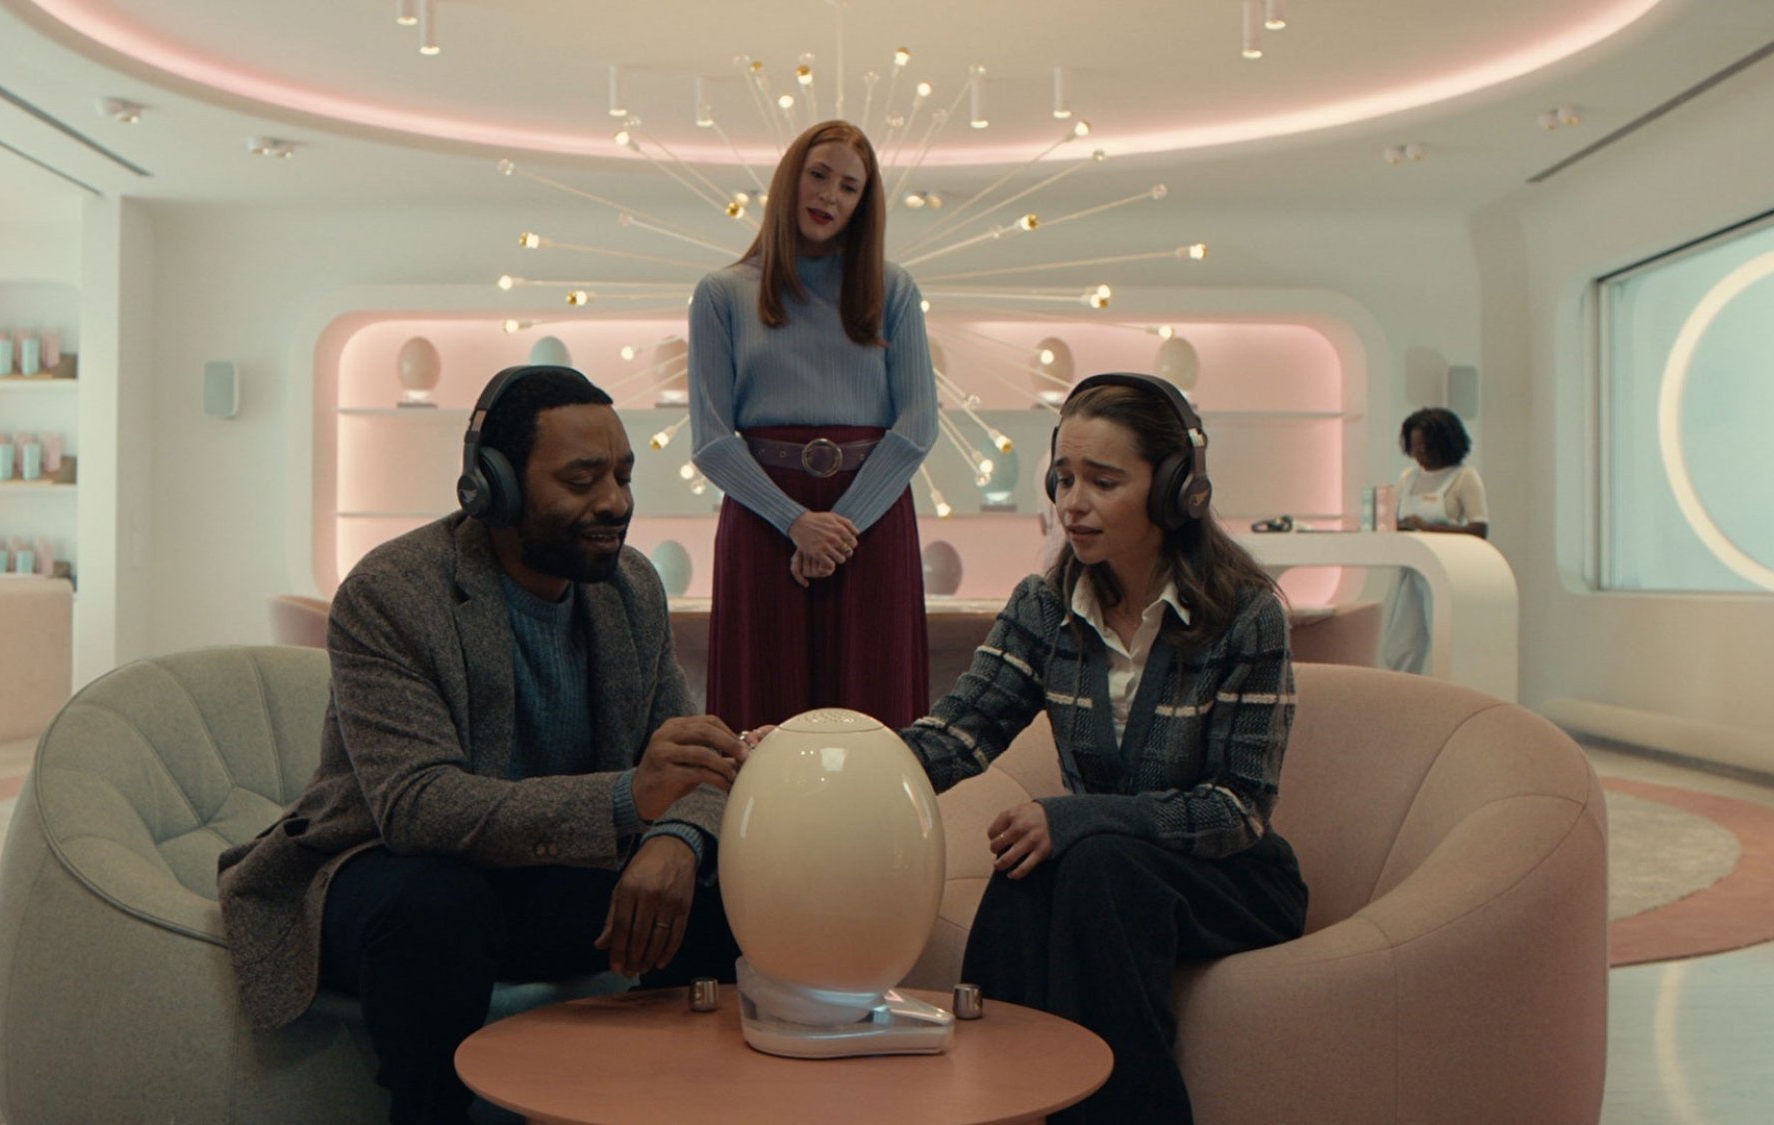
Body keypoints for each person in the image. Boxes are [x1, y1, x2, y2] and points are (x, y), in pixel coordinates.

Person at [218, 366, 751, 1125]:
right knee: (437, 905)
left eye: (624, 475)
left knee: (727, 882)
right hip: (381, 871)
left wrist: (674, 838)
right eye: (582, 478)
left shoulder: (631, 586)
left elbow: (693, 759)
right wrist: (629, 798)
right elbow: (419, 806)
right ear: (491, 487)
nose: (615, 503)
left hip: (545, 872)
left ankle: (674, 1104)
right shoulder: (393, 592)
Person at [898, 373, 1308, 1123]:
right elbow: (957, 733)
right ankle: (999, 1103)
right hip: (1105, 870)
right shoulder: (1045, 605)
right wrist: (832, 760)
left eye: (1102, 480)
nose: (1072, 502)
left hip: (1233, 877)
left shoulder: (1247, 614)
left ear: (1177, 489)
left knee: (1093, 860)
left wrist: (1080, 817)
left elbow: (1238, 809)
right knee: (1030, 873)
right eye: (1062, 478)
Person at [687, 119, 939, 732]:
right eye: (819, 175)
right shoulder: (721, 294)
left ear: (863, 204)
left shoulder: (893, 288)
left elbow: (917, 425)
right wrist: (796, 523)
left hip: (870, 522)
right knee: (762, 706)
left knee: (874, 714)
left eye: (849, 187)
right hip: (764, 519)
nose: (829, 196)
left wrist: (837, 529)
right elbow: (712, 440)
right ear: (789, 179)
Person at [1381, 406, 1489, 673]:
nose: (1418, 454)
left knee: (1445, 644)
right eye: (1413, 446)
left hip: (1446, 572)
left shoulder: (1464, 478)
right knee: (1401, 647)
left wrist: (1430, 528)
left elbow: (1479, 529)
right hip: (1411, 573)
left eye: (1425, 447)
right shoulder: (1408, 478)